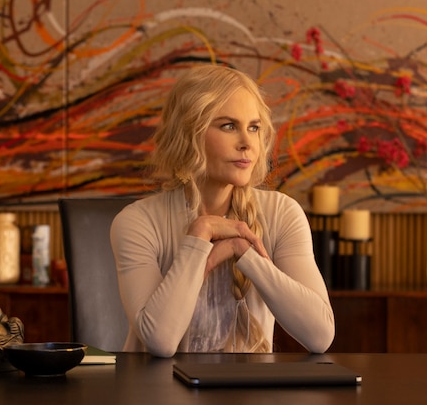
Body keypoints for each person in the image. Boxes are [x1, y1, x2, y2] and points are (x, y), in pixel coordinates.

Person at [110, 64, 335, 357]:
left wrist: (247, 254)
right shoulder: (136, 222)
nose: (247, 143)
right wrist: (199, 237)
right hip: (159, 399)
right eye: (229, 126)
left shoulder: (283, 213)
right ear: (189, 132)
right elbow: (160, 342)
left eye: (253, 128)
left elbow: (320, 336)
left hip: (250, 399)